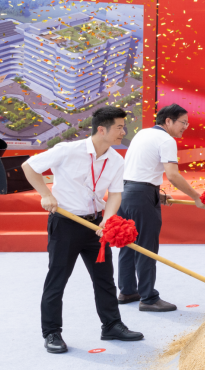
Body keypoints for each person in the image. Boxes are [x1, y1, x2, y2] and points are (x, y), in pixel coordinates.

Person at [21, 106, 144, 354]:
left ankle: (112, 325)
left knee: (105, 279)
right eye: (119, 127)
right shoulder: (68, 150)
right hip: (65, 223)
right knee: (57, 279)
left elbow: (115, 194)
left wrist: (107, 220)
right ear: (102, 129)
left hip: (95, 225)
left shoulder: (116, 160)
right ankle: (52, 333)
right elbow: (29, 166)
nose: (124, 132)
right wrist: (45, 194)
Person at [117, 103, 205, 312]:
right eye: (183, 122)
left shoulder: (142, 134)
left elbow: (140, 169)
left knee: (128, 244)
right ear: (168, 121)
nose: (185, 127)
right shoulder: (166, 140)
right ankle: (148, 298)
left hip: (125, 192)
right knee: (146, 246)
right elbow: (172, 175)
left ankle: (127, 291)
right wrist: (196, 197)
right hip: (141, 196)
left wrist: (156, 194)